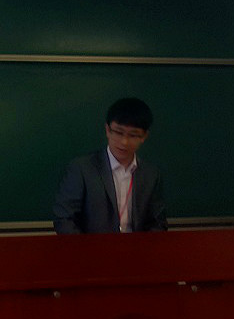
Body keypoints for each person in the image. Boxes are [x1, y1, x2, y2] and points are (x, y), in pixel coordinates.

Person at [54, 98, 167, 234]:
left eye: (133, 135)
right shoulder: (82, 169)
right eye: (119, 133)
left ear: (144, 136)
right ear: (108, 130)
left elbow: (157, 222)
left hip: (137, 246)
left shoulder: (151, 174)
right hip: (92, 246)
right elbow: (65, 219)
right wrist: (85, 247)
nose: (124, 142)